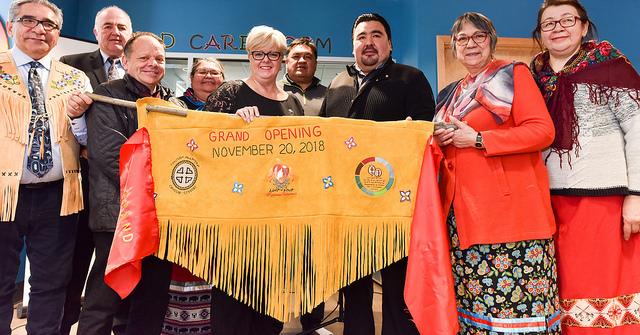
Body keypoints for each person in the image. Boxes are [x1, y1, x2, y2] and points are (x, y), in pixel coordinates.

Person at [433, 12, 560, 334]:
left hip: (509, 215)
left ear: (491, 41)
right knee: (476, 311)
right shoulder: (449, 93)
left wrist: (477, 139)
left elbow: (542, 132)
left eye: (479, 36)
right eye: (462, 39)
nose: (470, 44)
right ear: (454, 48)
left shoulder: (512, 74)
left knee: (517, 313)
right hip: (462, 218)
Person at [319, 13, 435, 335]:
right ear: (353, 44)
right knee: (354, 290)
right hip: (349, 206)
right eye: (361, 37)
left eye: (376, 35)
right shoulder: (338, 84)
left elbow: (426, 133)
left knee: (398, 290)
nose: (368, 42)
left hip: (397, 205)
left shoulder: (411, 78)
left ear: (389, 43)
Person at [530, 0, 640, 332]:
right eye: (549, 24)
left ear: (583, 26)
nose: (558, 28)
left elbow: (638, 131)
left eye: (567, 20)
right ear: (540, 34)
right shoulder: (531, 77)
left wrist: (636, 195)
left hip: (604, 202)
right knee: (562, 293)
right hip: (547, 203)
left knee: (605, 295)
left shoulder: (613, 69)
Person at [203, 25, 303, 335]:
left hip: (279, 218)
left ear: (282, 59)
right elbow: (202, 142)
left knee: (270, 308)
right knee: (232, 303)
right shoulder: (230, 93)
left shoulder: (294, 102)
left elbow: (302, 154)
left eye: (273, 54)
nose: (266, 60)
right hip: (236, 219)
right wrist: (232, 125)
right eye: (258, 53)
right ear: (249, 56)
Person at [79, 32, 179, 335]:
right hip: (118, 216)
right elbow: (111, 156)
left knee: (152, 298)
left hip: (162, 219)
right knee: (105, 297)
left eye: (159, 59)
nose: (153, 64)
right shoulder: (106, 96)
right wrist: (159, 188)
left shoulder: (173, 102)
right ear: (125, 61)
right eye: (144, 58)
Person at [0, 0, 91, 333]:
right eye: (29, 20)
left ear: (57, 33)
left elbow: (85, 139)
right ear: (12, 26)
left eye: (49, 24)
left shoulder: (76, 78)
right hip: (2, 194)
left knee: (52, 285)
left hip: (59, 196)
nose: (39, 29)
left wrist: (79, 116)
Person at [57, 6, 132, 334]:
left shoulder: (139, 75)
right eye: (108, 26)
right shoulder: (70, 67)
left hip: (123, 189)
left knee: (114, 264)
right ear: (95, 31)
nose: (115, 32)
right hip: (81, 183)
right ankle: (63, 324)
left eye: (122, 27)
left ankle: (116, 324)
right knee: (73, 262)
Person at [279, 36, 326, 116]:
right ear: (287, 63)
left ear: (315, 64)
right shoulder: (272, 91)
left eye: (308, 57)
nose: (302, 61)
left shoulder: (329, 95)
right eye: (296, 56)